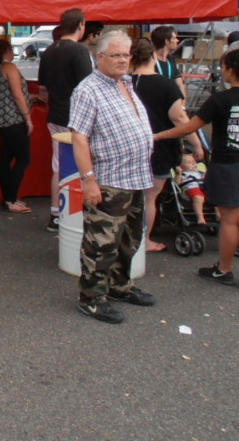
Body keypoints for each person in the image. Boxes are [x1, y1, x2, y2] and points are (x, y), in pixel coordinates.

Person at [156, 49, 239, 292]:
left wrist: (158, 135)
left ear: (231, 70)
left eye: (223, 66)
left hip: (229, 164)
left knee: (230, 222)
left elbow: (188, 128)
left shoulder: (220, 99)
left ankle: (224, 270)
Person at [69, 30, 157, 324]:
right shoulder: (88, 90)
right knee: (101, 244)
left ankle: (120, 286)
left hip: (135, 177)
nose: (123, 60)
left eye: (127, 54)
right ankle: (91, 298)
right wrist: (89, 179)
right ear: (100, 57)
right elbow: (79, 137)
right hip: (108, 179)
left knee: (129, 240)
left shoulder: (126, 83)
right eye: (117, 55)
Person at [130, 38, 204, 253]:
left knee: (128, 195)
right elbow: (180, 119)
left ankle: (127, 236)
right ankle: (144, 240)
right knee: (150, 197)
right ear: (154, 56)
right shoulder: (166, 84)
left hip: (129, 145)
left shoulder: (124, 82)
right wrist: (197, 145)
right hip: (159, 147)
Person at [37, 8, 94, 231]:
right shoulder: (79, 51)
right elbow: (90, 88)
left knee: (58, 166)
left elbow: (42, 86)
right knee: (84, 166)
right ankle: (79, 214)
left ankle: (56, 215)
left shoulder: (50, 50)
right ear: (81, 25)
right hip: (78, 118)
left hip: (56, 114)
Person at [0, 39, 33, 213]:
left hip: (2, 121)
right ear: (7, 50)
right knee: (23, 159)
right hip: (14, 120)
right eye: (11, 49)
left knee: (5, 159)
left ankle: (8, 199)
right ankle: (11, 199)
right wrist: (27, 117)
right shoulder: (10, 67)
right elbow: (17, 94)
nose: (13, 51)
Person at [150, 25, 184, 96]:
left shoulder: (170, 59)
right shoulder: (150, 60)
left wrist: (182, 105)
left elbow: (180, 84)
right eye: (174, 38)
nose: (177, 40)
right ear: (167, 42)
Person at [178, 152, 208, 226]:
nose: (193, 164)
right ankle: (200, 217)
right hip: (191, 187)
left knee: (216, 195)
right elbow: (178, 183)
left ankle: (218, 214)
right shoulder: (183, 173)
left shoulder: (199, 172)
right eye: (189, 163)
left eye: (194, 162)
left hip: (203, 187)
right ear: (181, 166)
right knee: (198, 198)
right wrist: (178, 173)